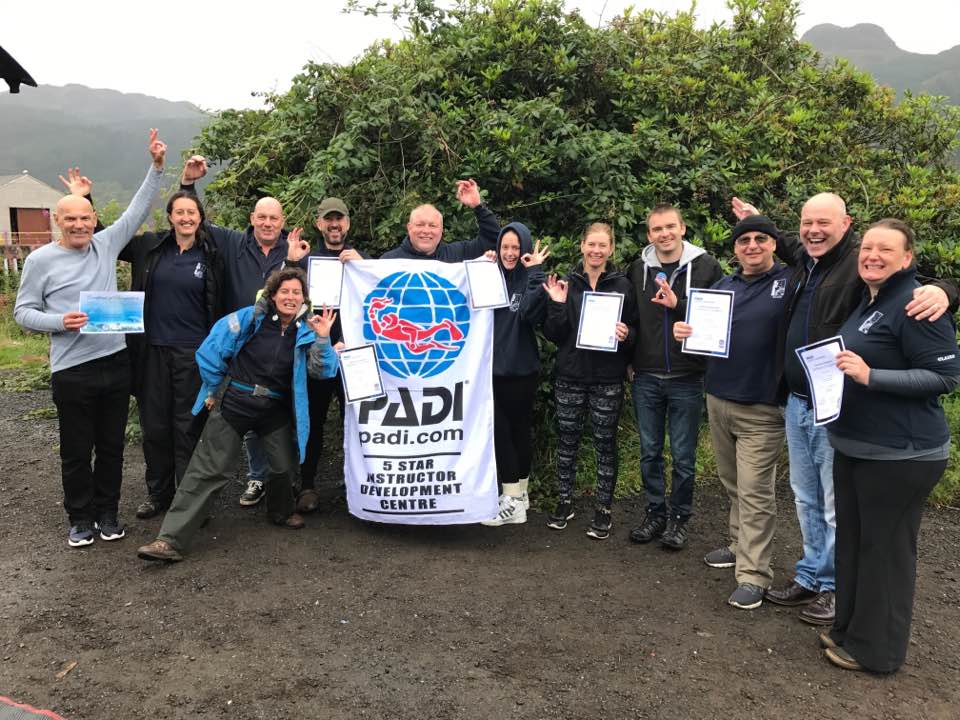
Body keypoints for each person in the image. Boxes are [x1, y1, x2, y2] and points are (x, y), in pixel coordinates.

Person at [733, 194, 956, 626]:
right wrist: (759, 218)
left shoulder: (859, 262)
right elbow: (790, 240)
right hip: (797, 401)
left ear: (847, 224)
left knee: (835, 502)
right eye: (806, 223)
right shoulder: (806, 261)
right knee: (807, 498)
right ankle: (812, 574)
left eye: (823, 223)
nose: (813, 230)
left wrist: (946, 290)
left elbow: (909, 284)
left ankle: (837, 586)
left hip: (835, 405)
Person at [13, 129, 166, 548]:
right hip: (71, 368)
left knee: (112, 446)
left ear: (93, 220)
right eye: (71, 219)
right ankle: (79, 517)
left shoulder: (105, 243)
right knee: (77, 449)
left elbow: (136, 211)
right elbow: (22, 311)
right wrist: (62, 321)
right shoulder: (42, 260)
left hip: (114, 361)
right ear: (57, 221)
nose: (80, 225)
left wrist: (155, 167)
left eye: (85, 218)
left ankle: (108, 512)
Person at [822, 219, 960, 672]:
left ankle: (876, 652)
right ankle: (849, 629)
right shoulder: (871, 299)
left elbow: (944, 377)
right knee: (856, 543)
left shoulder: (919, 304)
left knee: (885, 551)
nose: (872, 255)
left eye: (886, 249)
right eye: (868, 247)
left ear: (907, 259)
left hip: (903, 453)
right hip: (858, 445)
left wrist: (870, 376)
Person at [136, 268, 339, 563]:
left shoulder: (307, 330)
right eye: (285, 291)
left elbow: (323, 371)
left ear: (304, 299)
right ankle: (169, 540)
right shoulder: (249, 318)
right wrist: (215, 389)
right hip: (236, 401)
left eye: (296, 293)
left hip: (274, 407)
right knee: (208, 469)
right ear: (272, 294)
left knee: (283, 467)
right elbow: (210, 351)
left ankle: (281, 513)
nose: (290, 297)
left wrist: (323, 340)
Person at [59, 170, 226, 520]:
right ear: (170, 217)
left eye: (191, 213)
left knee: (188, 426)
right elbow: (104, 237)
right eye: (179, 212)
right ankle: (158, 494)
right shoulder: (150, 246)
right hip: (151, 351)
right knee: (156, 426)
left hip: (193, 355)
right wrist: (84, 200)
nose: (185, 218)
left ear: (200, 219)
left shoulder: (211, 254)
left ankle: (190, 498)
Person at [673, 216, 793, 610]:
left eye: (761, 239)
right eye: (744, 240)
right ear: (735, 248)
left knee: (756, 490)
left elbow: (826, 263)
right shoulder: (723, 287)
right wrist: (687, 333)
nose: (752, 246)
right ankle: (737, 543)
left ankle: (754, 574)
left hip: (762, 405)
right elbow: (706, 337)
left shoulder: (790, 282)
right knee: (733, 483)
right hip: (720, 397)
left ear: (775, 244)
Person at [178, 156, 305, 508]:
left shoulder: (293, 252)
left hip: (280, 343)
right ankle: (256, 477)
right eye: (261, 217)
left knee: (280, 414)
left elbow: (305, 293)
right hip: (241, 342)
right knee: (244, 415)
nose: (267, 223)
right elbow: (194, 220)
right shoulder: (233, 243)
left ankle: (283, 480)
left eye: (273, 218)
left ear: (283, 222)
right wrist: (188, 184)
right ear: (252, 219)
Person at [626, 203, 723, 550]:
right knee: (649, 451)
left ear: (682, 228)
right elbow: (632, 320)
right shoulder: (638, 269)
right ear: (649, 234)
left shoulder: (707, 266)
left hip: (687, 375)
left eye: (670, 227)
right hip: (647, 376)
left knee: (683, 455)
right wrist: (628, 350)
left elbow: (719, 316)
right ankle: (655, 513)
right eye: (657, 229)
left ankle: (680, 519)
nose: (664, 234)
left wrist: (678, 306)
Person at [542, 222, 636, 540]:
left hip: (607, 378)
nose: (596, 251)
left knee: (604, 445)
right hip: (570, 376)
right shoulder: (567, 282)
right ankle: (565, 501)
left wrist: (627, 335)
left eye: (602, 245)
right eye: (591, 244)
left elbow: (635, 332)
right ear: (581, 245)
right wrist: (556, 304)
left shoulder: (623, 284)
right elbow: (554, 335)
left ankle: (603, 508)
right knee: (567, 442)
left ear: (611, 249)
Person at [285, 197, 365, 513]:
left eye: (340, 219)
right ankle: (306, 486)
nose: (335, 225)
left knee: (357, 424)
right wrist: (292, 263)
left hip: (355, 356)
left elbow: (380, 300)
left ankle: (358, 486)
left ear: (347, 223)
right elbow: (286, 299)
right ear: (320, 223)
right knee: (313, 422)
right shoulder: (308, 261)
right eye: (328, 220)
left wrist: (364, 266)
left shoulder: (361, 260)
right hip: (317, 355)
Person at [480, 223, 549, 526]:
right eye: (505, 247)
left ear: (525, 249)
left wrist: (536, 273)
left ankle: (512, 499)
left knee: (512, 432)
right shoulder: (489, 277)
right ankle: (518, 494)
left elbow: (531, 314)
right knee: (505, 431)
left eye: (515, 248)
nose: (510, 253)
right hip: (492, 369)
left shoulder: (531, 279)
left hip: (521, 370)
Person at [380, 180, 499, 260]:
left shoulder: (457, 255)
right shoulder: (389, 261)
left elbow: (491, 240)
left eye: (432, 226)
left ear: (441, 230)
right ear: (409, 228)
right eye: (420, 224)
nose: (426, 231)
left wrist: (478, 206)